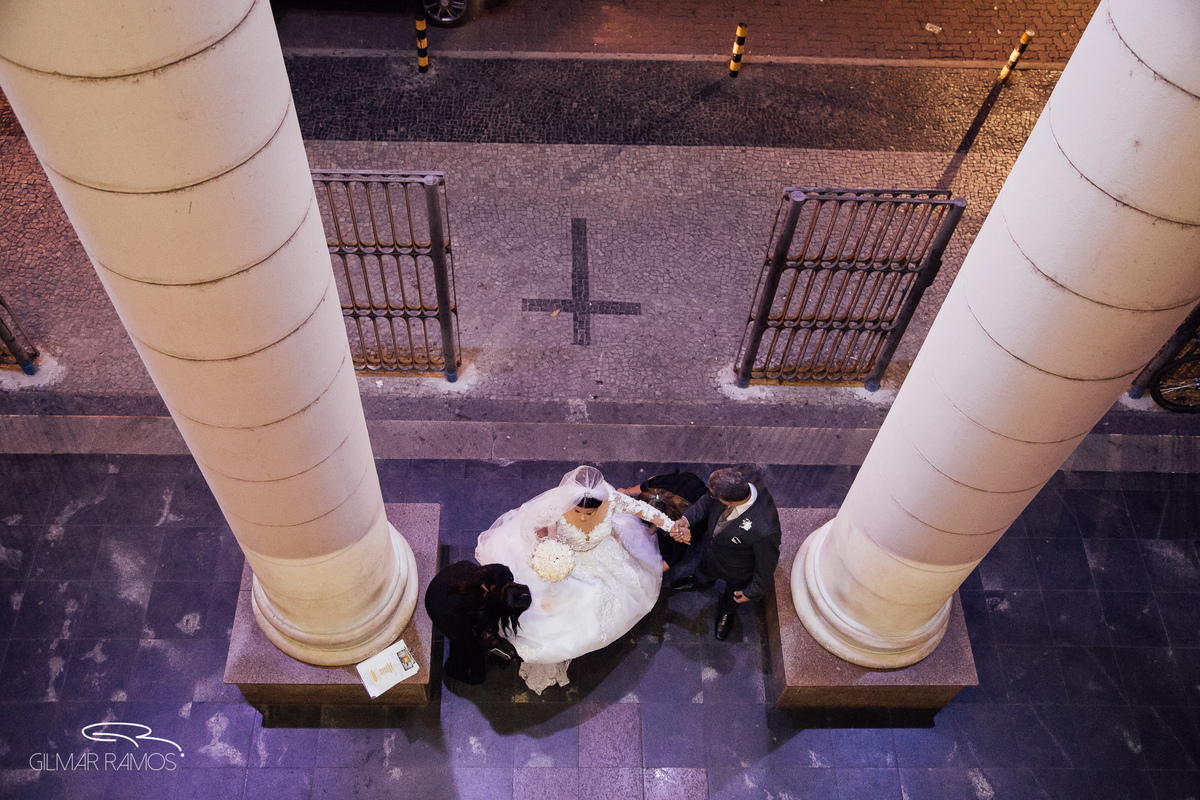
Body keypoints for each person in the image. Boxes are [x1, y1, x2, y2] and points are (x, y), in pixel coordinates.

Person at [475, 465, 685, 694]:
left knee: (602, 602)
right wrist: (546, 546)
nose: (583, 517)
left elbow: (646, 512)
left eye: (590, 513)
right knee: (556, 610)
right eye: (578, 512)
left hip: (601, 555)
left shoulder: (613, 501)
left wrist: (672, 527)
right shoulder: (557, 504)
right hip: (565, 557)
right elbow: (537, 525)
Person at [670, 466, 781, 641]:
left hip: (737, 569)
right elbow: (707, 501)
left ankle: (726, 612)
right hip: (713, 552)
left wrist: (752, 591)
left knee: (732, 595)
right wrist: (686, 519)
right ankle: (699, 581)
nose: (711, 496)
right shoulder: (739, 474)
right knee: (705, 570)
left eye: (715, 496)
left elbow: (766, 564)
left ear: (728, 502)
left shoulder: (765, 529)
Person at [424, 561, 532, 685]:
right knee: (467, 645)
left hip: (450, 581)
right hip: (440, 608)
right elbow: (481, 629)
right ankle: (466, 675)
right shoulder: (474, 606)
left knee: (465, 641)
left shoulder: (500, 573)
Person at [618, 470, 708, 572]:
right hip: (686, 483)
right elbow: (646, 485)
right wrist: (627, 492)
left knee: (664, 547)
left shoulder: (683, 523)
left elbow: (675, 556)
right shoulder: (656, 486)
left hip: (698, 507)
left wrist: (650, 573)